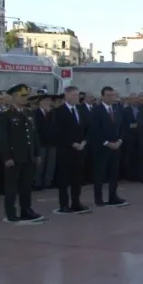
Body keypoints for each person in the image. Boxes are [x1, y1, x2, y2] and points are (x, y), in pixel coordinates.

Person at [0, 84, 46, 224]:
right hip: (14, 157)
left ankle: (26, 210)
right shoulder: (5, 115)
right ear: (14, 96)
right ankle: (11, 212)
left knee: (26, 185)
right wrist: (7, 157)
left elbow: (34, 135)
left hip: (28, 156)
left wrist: (37, 153)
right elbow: (3, 139)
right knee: (11, 187)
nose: (25, 99)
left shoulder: (29, 113)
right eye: (22, 96)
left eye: (26, 96)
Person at [54, 86, 92, 214]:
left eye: (78, 95)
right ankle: (64, 204)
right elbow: (58, 132)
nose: (77, 98)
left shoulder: (81, 110)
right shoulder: (58, 111)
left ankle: (76, 202)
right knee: (64, 179)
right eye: (74, 95)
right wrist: (72, 143)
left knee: (77, 178)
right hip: (65, 151)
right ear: (67, 95)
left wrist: (84, 141)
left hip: (80, 149)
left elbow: (88, 127)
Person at [91, 86, 128, 207]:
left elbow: (122, 127)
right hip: (102, 147)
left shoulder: (117, 109)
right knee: (100, 174)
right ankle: (98, 198)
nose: (111, 98)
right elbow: (95, 130)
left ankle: (113, 196)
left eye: (113, 95)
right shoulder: (96, 110)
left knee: (114, 173)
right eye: (108, 95)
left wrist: (120, 141)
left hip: (116, 146)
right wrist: (107, 143)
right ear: (102, 96)